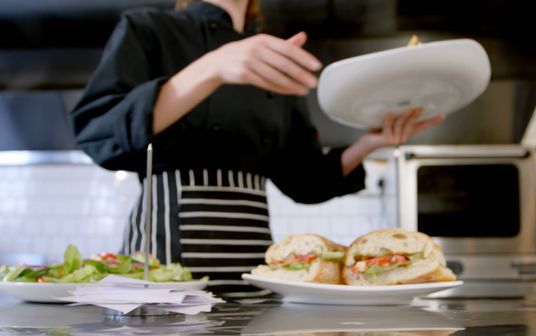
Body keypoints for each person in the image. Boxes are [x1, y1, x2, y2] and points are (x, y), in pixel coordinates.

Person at [69, 0, 444, 298]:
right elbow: (99, 132)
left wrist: (370, 141)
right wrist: (213, 67)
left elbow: (306, 180)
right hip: (164, 273)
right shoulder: (148, 30)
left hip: (255, 275)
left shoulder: (274, 57)